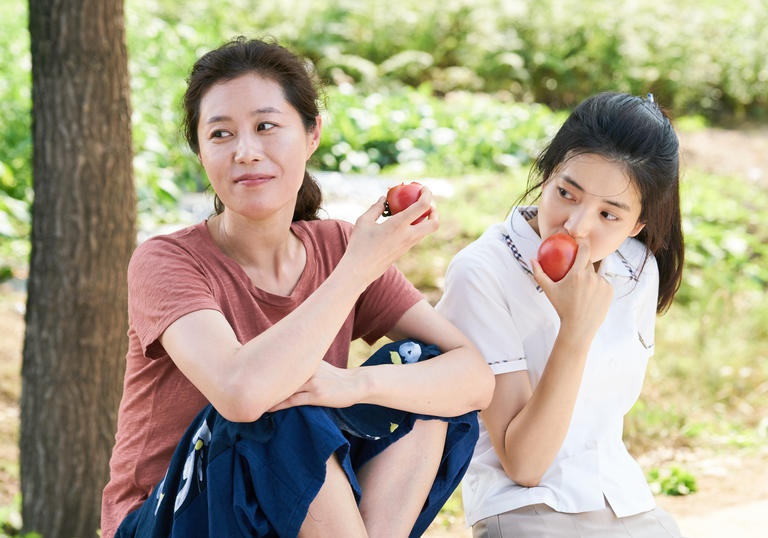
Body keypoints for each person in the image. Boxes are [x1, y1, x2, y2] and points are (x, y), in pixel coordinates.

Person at [101, 36, 494, 538]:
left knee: (420, 369)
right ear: (200, 151)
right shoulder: (166, 261)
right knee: (279, 406)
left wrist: (354, 384)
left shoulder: (336, 245)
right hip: (170, 520)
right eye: (220, 134)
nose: (245, 152)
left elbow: (474, 377)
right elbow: (241, 394)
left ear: (312, 135)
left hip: (295, 513)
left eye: (266, 126)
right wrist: (356, 270)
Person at [435, 92, 686, 537]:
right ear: (547, 175)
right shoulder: (483, 273)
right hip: (526, 509)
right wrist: (575, 332)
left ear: (637, 226)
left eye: (609, 214)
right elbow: (524, 464)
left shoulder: (636, 270)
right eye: (566, 193)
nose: (576, 226)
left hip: (626, 502)